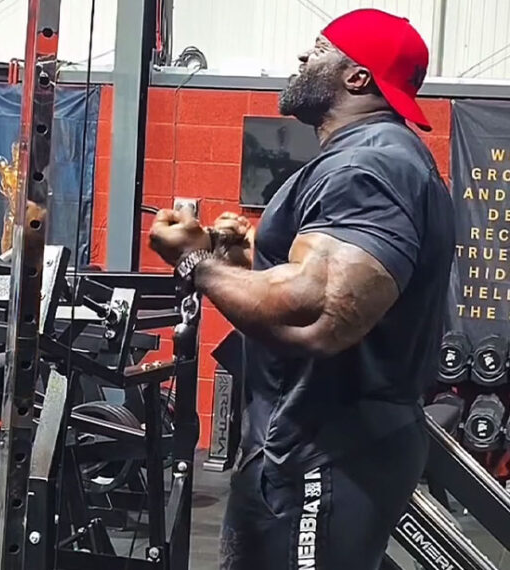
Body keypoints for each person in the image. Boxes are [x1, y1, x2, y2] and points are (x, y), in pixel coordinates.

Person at [147, 9, 455, 569]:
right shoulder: (371, 158)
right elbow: (328, 281)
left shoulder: (366, 166)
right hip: (320, 442)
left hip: (324, 448)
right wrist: (240, 260)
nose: (301, 57)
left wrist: (195, 262)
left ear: (356, 77)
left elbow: (319, 313)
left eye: (318, 48)